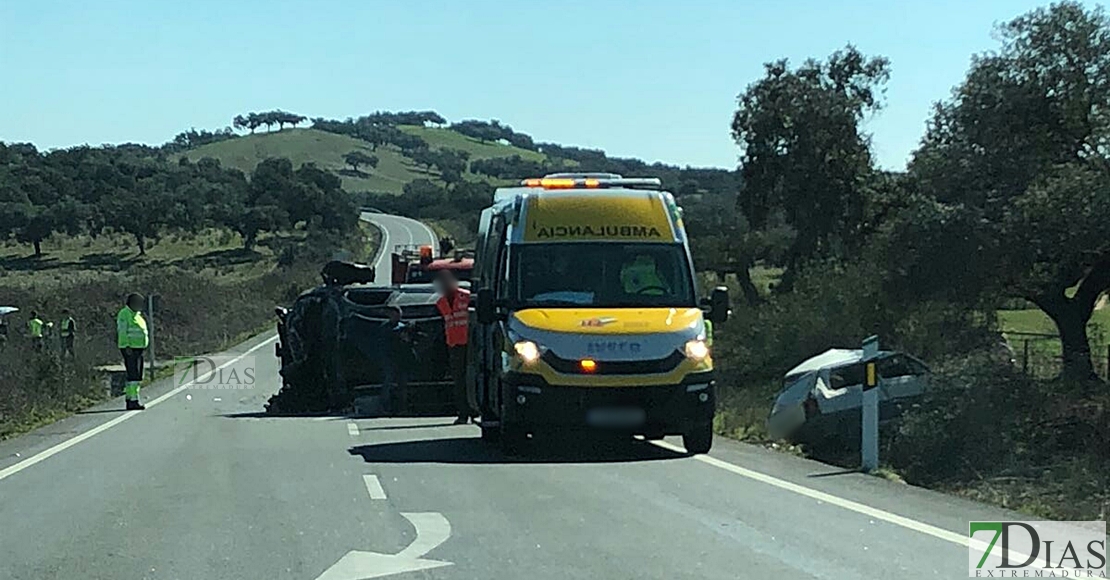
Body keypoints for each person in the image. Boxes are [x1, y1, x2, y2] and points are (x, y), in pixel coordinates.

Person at [352, 305, 409, 414]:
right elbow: (382, 344)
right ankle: (384, 407)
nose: (396, 316)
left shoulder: (404, 327)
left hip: (402, 360)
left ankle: (402, 408)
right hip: (389, 359)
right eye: (393, 313)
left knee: (402, 385)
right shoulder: (385, 328)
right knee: (387, 383)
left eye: (397, 313)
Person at [434, 270, 471, 424]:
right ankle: (463, 413)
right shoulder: (440, 303)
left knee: (471, 378)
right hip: (454, 346)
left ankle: (474, 410)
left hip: (470, 344)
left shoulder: (466, 296)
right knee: (458, 380)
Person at [117, 293, 150, 411]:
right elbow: (122, 331)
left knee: (136, 375)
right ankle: (133, 400)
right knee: (134, 376)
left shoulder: (137, 315)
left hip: (138, 349)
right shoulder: (125, 314)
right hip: (130, 349)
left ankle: (130, 398)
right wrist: (126, 346)